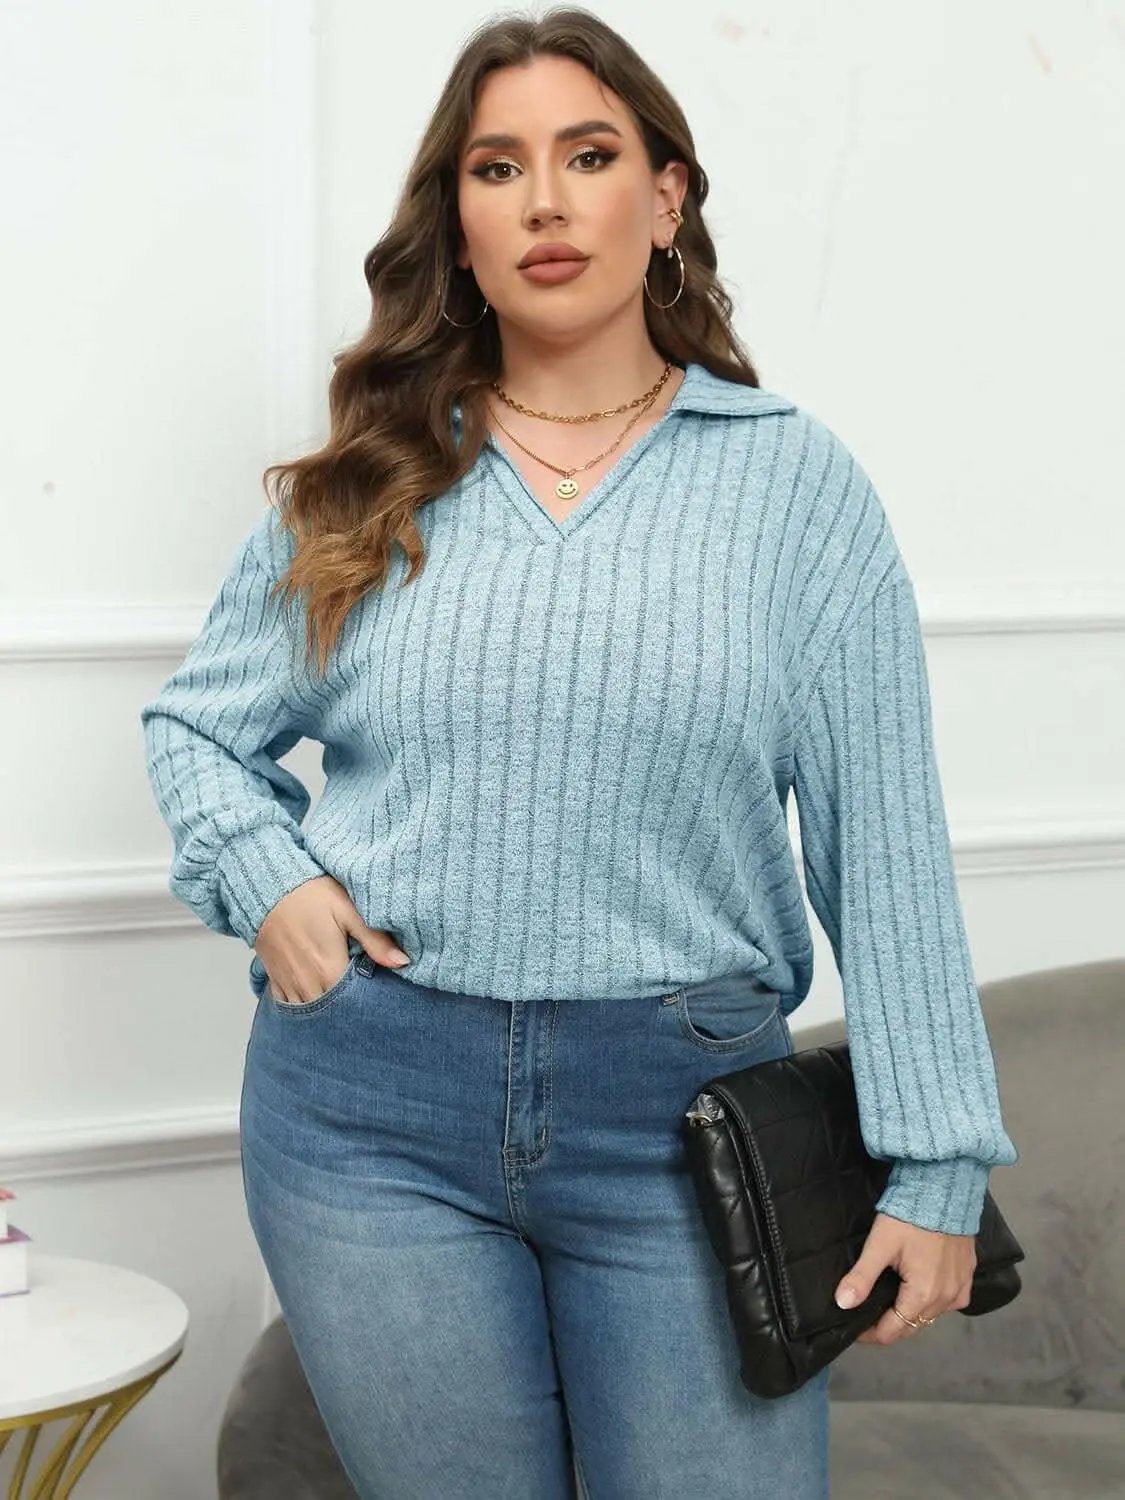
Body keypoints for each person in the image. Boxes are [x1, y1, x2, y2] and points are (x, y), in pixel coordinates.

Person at [140, 8, 1018, 1497]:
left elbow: (882, 845)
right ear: (459, 226)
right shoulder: (370, 483)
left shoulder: (791, 487)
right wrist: (264, 877)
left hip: (680, 1122)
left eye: (589, 156)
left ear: (665, 199)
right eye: (497, 169)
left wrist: (936, 1160)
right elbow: (197, 730)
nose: (544, 201)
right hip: (366, 1118)